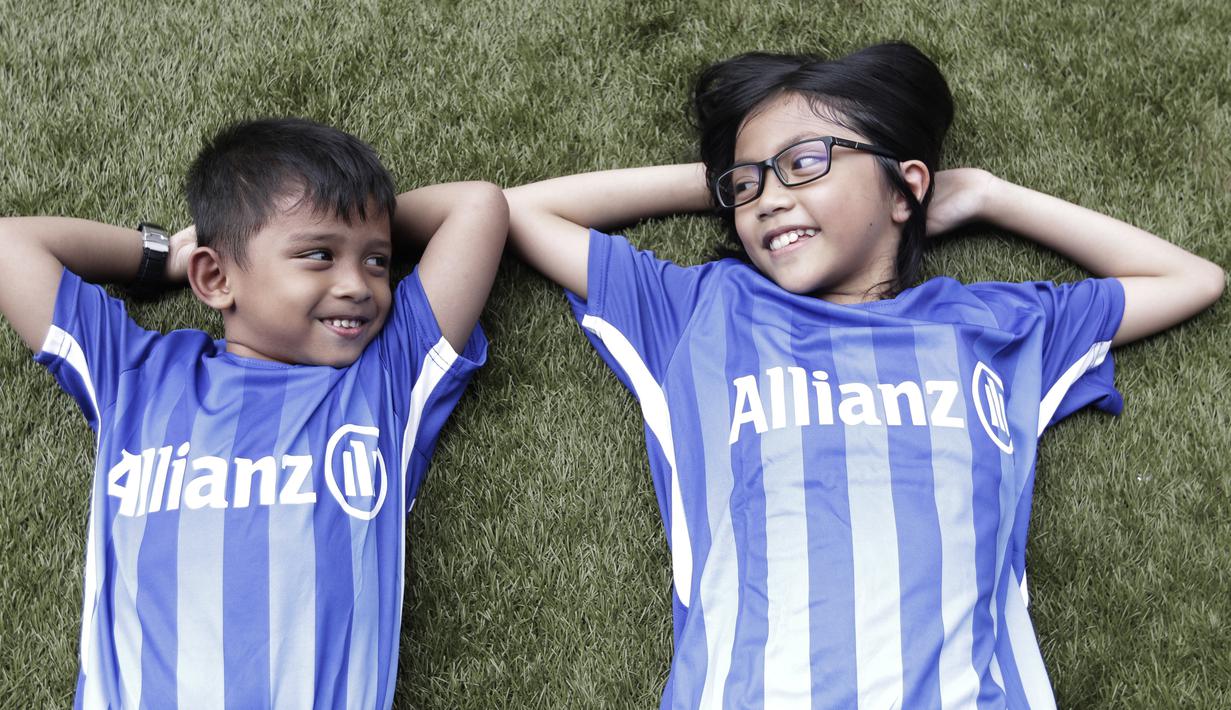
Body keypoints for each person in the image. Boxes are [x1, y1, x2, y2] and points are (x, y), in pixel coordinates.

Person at [504, 42, 1224, 708]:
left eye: (805, 162)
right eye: (746, 184)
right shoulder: (701, 311)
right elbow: (518, 210)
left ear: (904, 186)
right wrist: (719, 184)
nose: (768, 198)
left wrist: (986, 195)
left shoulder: (995, 326)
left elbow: (1189, 278)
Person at [0, 117, 506, 708]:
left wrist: (353, 218)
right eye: (319, 254)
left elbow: (478, 207)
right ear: (214, 277)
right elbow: (9, 244)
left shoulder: (383, 385)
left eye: (377, 261)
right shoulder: (136, 377)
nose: (359, 285)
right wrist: (160, 258)